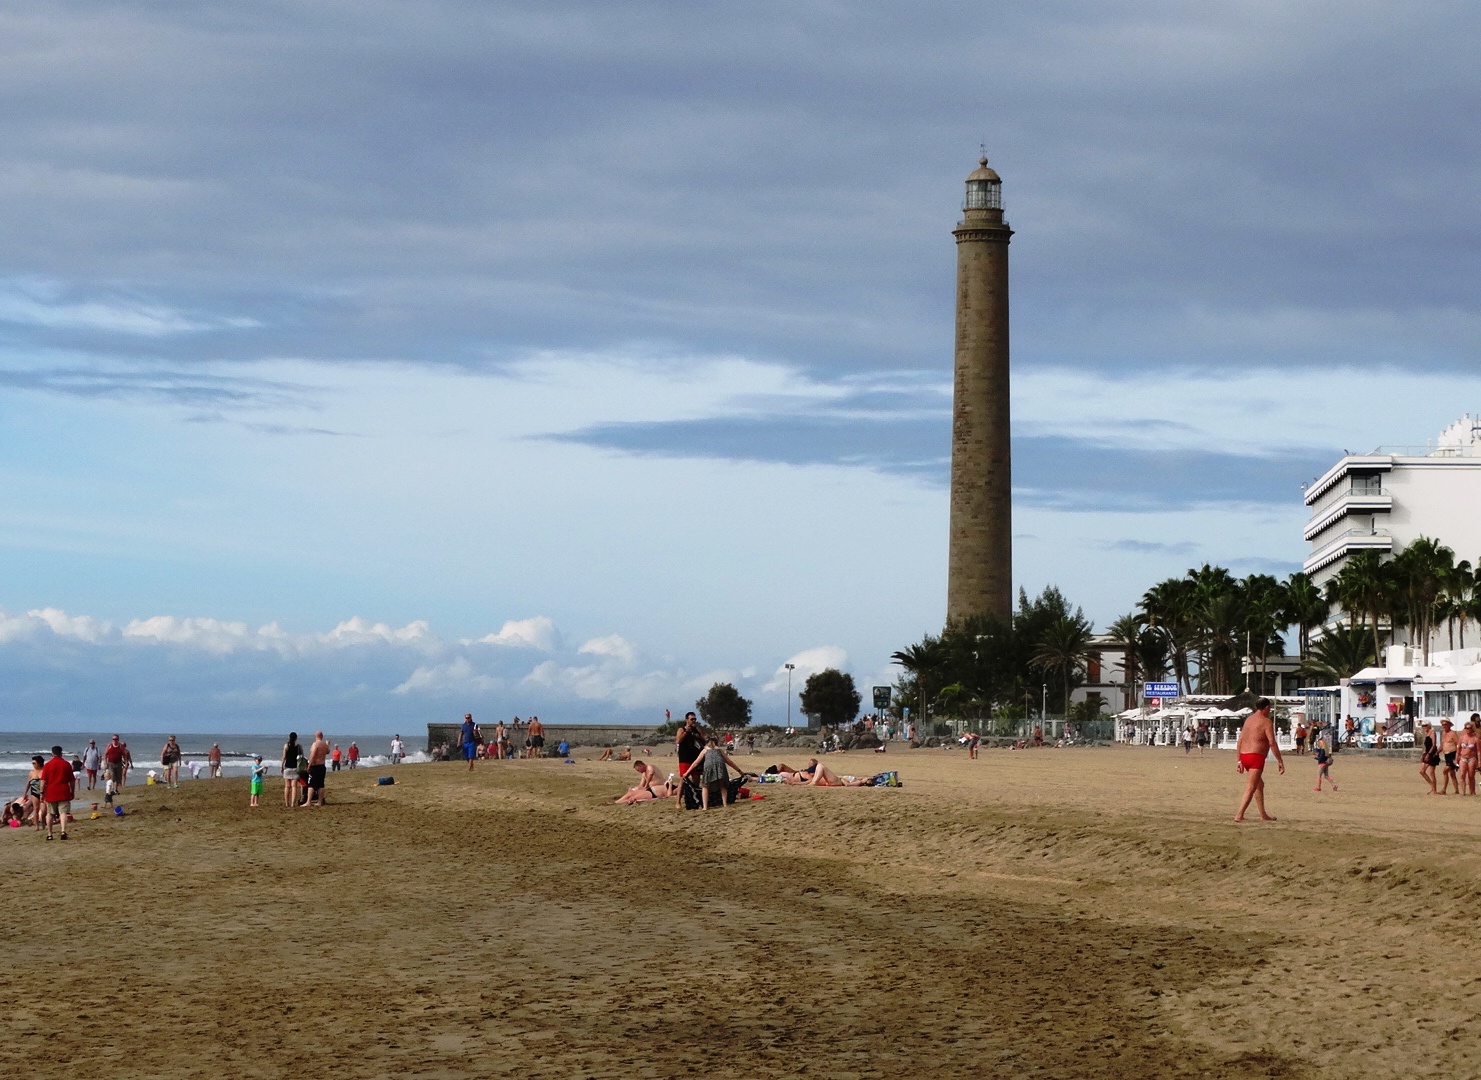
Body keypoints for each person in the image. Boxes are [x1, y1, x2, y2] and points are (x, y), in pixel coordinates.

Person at [1234, 698, 1285, 823]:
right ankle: (1239, 814)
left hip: (1244, 755)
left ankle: (1263, 814)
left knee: (1259, 785)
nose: (1270, 711)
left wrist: (1239, 760)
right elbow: (1272, 743)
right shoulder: (1266, 722)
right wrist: (1280, 760)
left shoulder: (1249, 720)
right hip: (1256, 757)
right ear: (1266, 708)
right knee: (1251, 787)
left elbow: (1240, 740)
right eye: (1270, 709)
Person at [689, 737, 743, 809]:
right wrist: (739, 771)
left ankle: (705, 807)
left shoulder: (705, 750)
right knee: (722, 785)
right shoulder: (719, 750)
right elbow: (729, 762)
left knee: (705, 786)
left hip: (708, 767)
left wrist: (687, 773)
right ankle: (725, 804)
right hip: (720, 766)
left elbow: (696, 763)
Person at [39, 746, 76, 841]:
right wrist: (72, 791)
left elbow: (43, 781)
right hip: (63, 791)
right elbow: (72, 780)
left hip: (51, 792)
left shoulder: (48, 765)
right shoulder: (66, 764)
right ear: (61, 753)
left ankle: (49, 834)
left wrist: (41, 793)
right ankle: (63, 831)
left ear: (52, 754)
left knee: (50, 814)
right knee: (63, 812)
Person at [675, 713, 704, 784]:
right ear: (686, 720)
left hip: (695, 758)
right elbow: (678, 740)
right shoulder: (681, 729)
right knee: (684, 780)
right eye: (692, 719)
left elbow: (704, 739)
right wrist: (686, 732)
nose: (693, 721)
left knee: (696, 779)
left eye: (695, 719)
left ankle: (695, 794)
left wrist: (698, 734)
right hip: (685, 758)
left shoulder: (696, 729)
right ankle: (680, 795)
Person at [304, 731, 330, 807]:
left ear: (315, 736)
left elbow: (313, 755)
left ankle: (308, 801)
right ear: (322, 736)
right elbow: (328, 751)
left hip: (315, 766)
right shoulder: (325, 745)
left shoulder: (315, 744)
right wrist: (328, 744)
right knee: (321, 784)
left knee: (311, 784)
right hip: (322, 765)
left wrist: (309, 765)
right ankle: (319, 801)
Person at [1460, 716, 1481, 796]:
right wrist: (1457, 757)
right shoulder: (1463, 733)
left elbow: (1478, 750)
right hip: (1464, 757)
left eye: (1479, 721)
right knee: (1462, 774)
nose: (1478, 723)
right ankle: (1463, 792)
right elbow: (1459, 747)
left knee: (1471, 775)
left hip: (1473, 756)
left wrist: (1479, 761)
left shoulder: (1477, 735)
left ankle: (1472, 791)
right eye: (1477, 721)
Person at [281, 732, 303, 808]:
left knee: (287, 787)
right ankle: (292, 804)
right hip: (296, 768)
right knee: (294, 787)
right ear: (296, 738)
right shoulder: (299, 747)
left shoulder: (286, 746)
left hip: (287, 767)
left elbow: (284, 757)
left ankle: (287, 803)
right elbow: (301, 758)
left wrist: (281, 766)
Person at [1440, 719, 1461, 795]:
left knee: (1445, 771)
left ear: (1449, 725)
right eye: (1443, 725)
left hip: (1452, 754)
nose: (1444, 726)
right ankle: (1456, 790)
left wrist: (1457, 756)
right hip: (1446, 755)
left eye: (1445, 724)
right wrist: (1436, 752)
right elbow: (1443, 744)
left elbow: (1458, 744)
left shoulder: (1453, 733)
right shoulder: (1443, 733)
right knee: (1452, 773)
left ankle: (1444, 789)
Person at [1420, 721, 1440, 794]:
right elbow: (1427, 746)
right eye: (1423, 726)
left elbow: (1434, 745)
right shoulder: (1426, 734)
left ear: (1429, 726)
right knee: (1422, 771)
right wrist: (1424, 754)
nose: (1424, 727)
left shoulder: (1432, 732)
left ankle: (1434, 790)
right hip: (1428, 753)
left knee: (1431, 772)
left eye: (1425, 725)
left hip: (1432, 754)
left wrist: (1429, 754)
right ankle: (1432, 785)